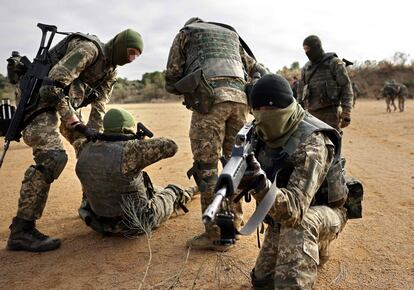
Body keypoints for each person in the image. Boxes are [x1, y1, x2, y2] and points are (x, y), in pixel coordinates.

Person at [6, 28, 144, 252]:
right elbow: (51, 88)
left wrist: (97, 139)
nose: (131, 59)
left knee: (92, 150)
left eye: (136, 56)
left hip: (64, 103)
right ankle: (22, 230)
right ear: (120, 45)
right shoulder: (89, 50)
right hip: (38, 103)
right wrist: (72, 120)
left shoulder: (111, 70)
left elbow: (99, 107)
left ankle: (92, 206)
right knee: (52, 157)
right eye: (130, 52)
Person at [165, 17, 268, 251]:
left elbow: (171, 77)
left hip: (209, 103)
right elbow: (258, 69)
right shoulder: (232, 36)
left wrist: (184, 86)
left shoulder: (187, 33)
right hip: (241, 102)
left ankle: (216, 235)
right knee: (237, 163)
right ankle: (235, 222)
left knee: (207, 168)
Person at [240, 74, 350, 289]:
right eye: (259, 109)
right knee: (262, 280)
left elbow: (294, 211)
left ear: (288, 107)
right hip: (285, 207)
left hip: (324, 209)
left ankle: (320, 241)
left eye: (272, 111)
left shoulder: (313, 142)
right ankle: (316, 247)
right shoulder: (256, 132)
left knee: (300, 226)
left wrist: (260, 185)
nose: (265, 115)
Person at [75, 108, 198, 235]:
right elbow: (171, 146)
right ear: (125, 130)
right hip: (135, 223)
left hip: (98, 223)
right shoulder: (131, 151)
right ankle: (190, 191)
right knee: (172, 190)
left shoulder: (83, 147)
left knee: (154, 189)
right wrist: (138, 142)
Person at [298, 35, 354, 132]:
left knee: (332, 143)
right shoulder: (306, 68)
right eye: (304, 49)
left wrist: (346, 112)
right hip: (311, 115)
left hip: (331, 114)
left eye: (308, 49)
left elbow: (346, 88)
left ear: (316, 47)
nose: (306, 52)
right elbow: (300, 92)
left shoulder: (334, 63)